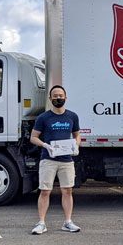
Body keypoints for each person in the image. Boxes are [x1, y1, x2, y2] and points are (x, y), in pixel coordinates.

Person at [30, 85, 81, 234]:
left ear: (65, 97)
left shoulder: (72, 116)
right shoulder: (43, 118)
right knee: (45, 191)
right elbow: (33, 137)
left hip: (67, 161)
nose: (58, 98)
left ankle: (68, 222)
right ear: (50, 98)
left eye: (61, 95)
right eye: (55, 96)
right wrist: (45, 145)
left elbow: (77, 134)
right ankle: (41, 223)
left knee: (67, 191)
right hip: (48, 160)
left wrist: (76, 145)